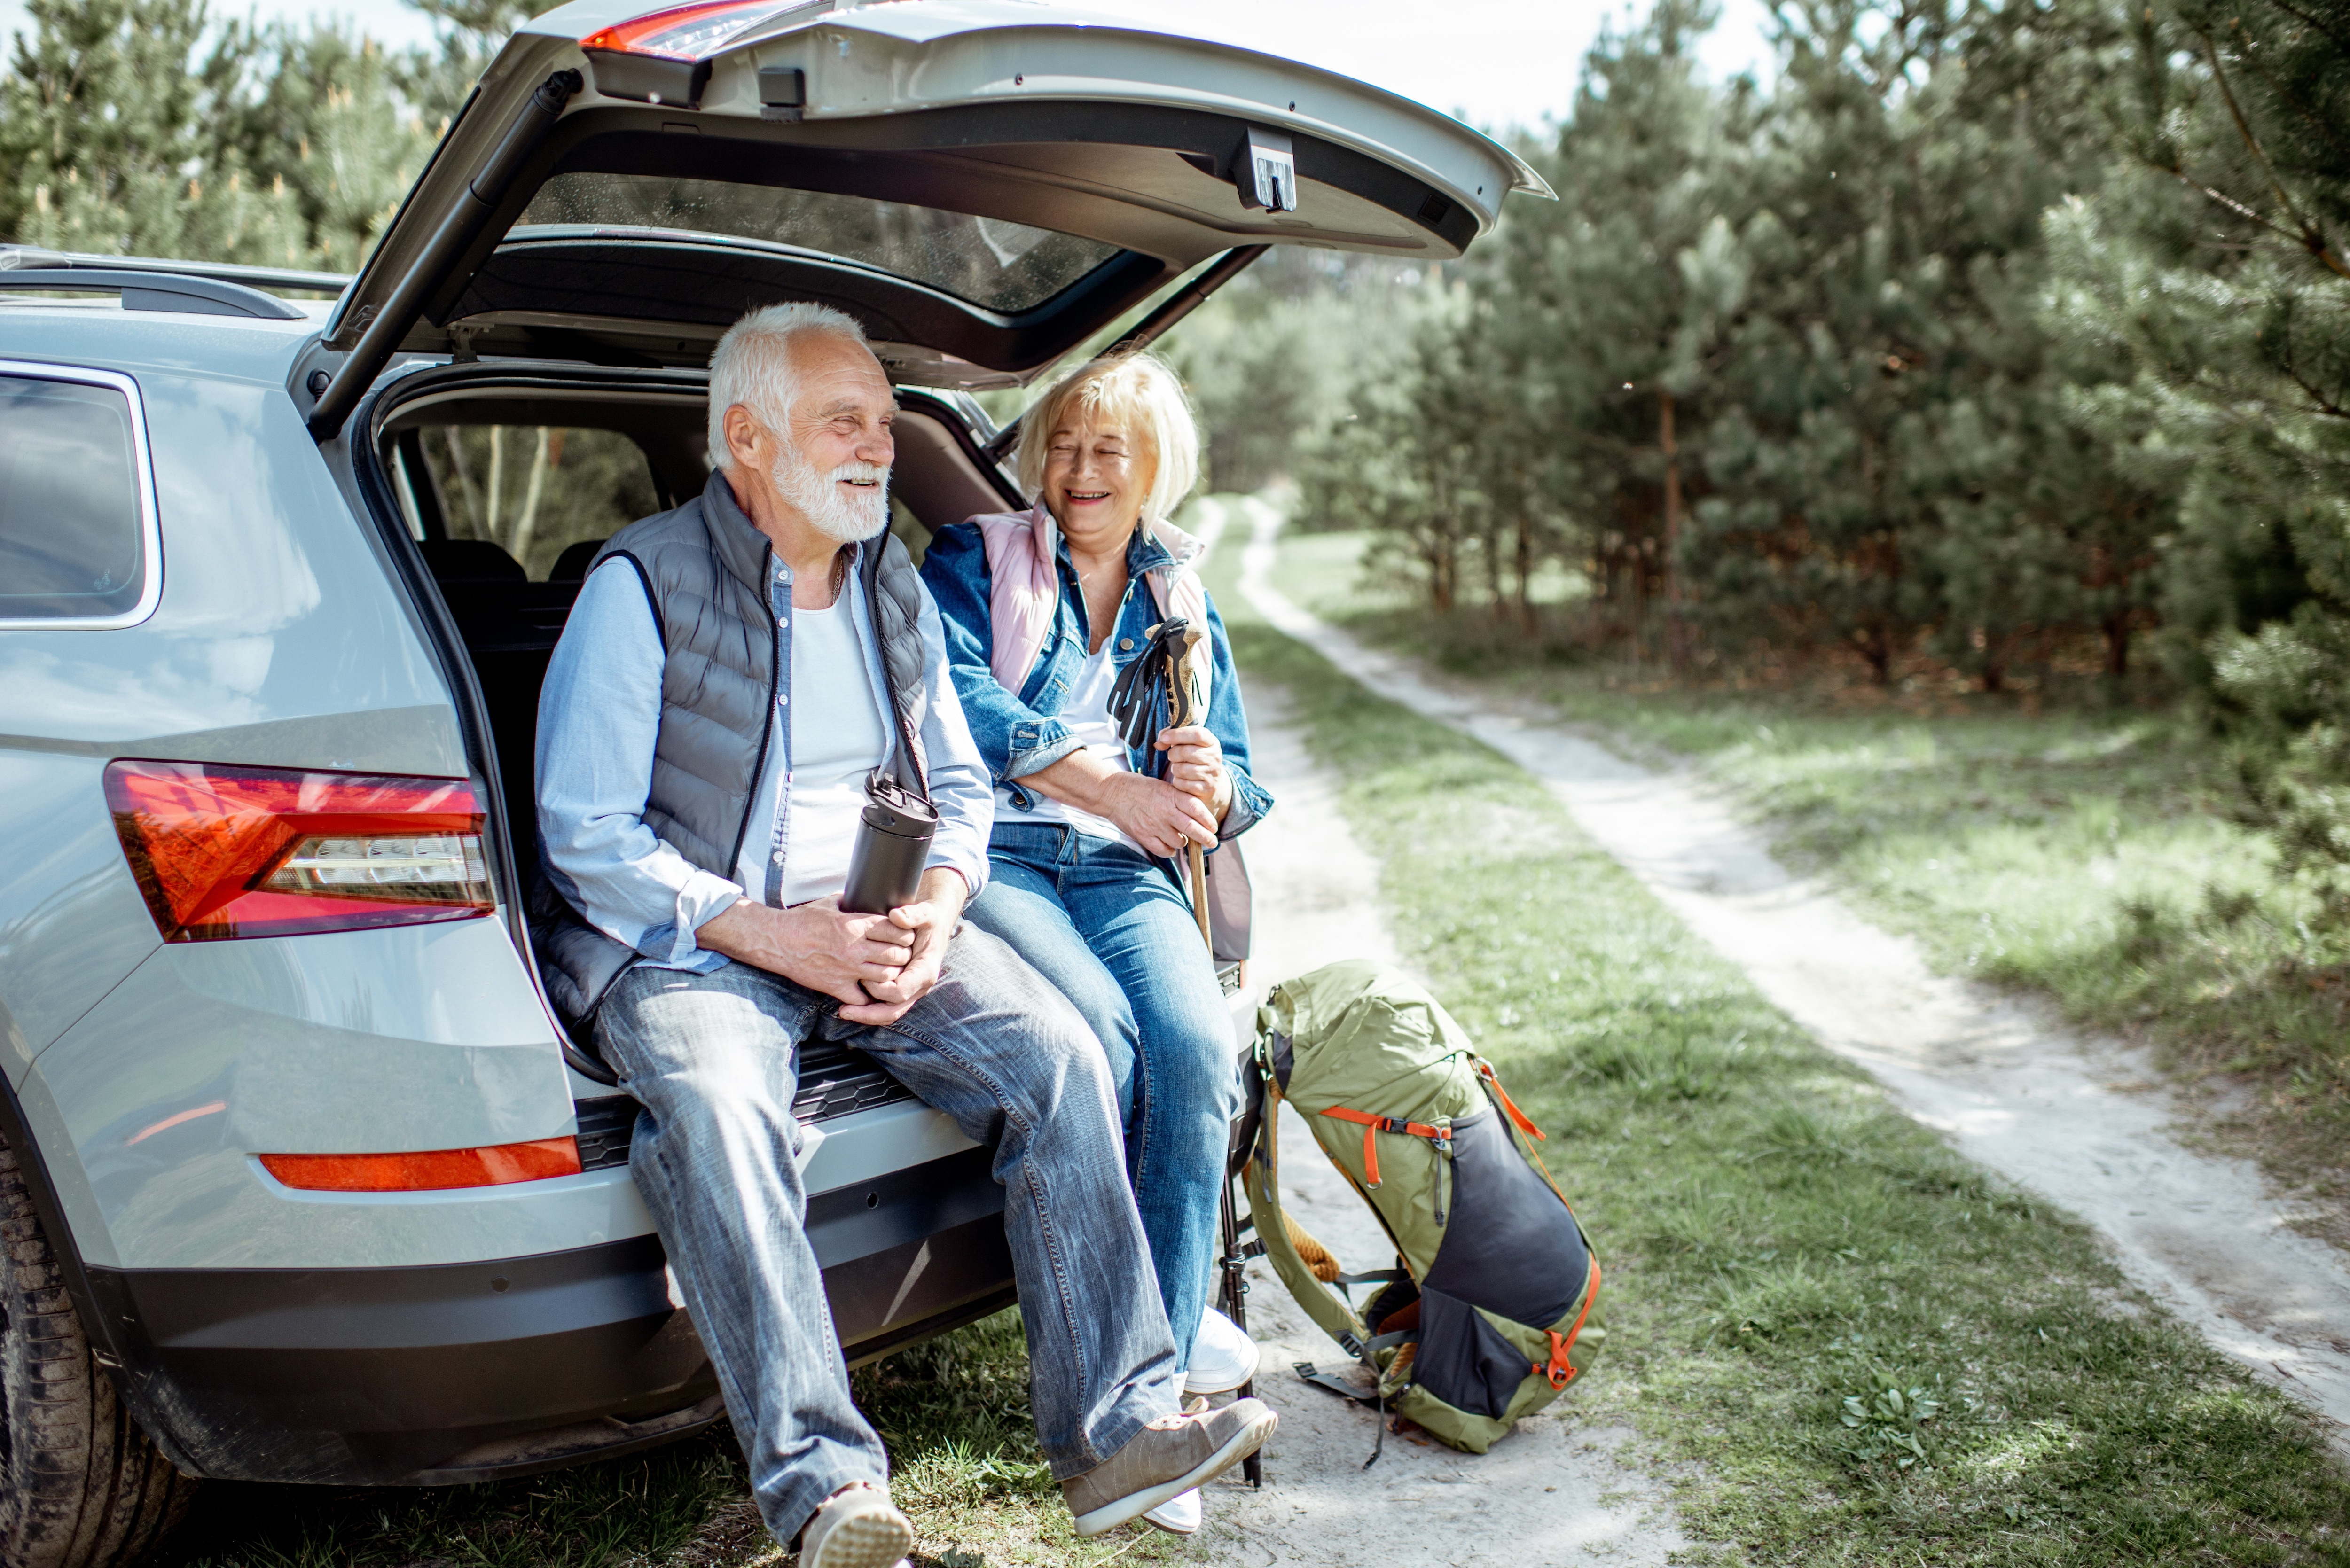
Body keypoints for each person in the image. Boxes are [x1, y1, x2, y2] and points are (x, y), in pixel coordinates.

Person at [532, 304, 1274, 1567]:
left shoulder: (887, 583)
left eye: (884, 420)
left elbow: (962, 788)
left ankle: (1121, 1435)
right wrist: (777, 935)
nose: (879, 446)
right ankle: (830, 1493)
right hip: (693, 944)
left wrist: (937, 904)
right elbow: (586, 838)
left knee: (1060, 1056)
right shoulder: (639, 584)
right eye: (849, 420)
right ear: (750, 437)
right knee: (721, 1116)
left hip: (880, 918)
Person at [920, 354, 1274, 1536]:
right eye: (1065, 445)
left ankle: (1163, 1384)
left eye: (1109, 450)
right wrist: (1112, 786)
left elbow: (1237, 772)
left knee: (1192, 1052)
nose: (1081, 471)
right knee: (1108, 1041)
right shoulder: (972, 556)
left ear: (1152, 468)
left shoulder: (1182, 597)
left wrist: (1213, 790)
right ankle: (1121, 1384)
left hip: (1125, 871)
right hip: (1009, 852)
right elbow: (959, 697)